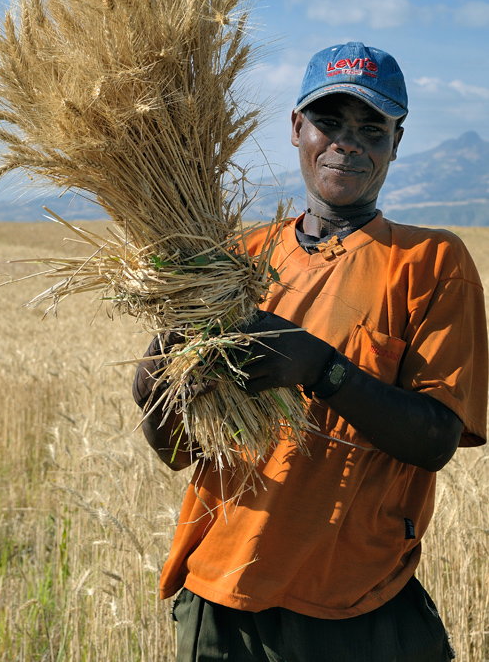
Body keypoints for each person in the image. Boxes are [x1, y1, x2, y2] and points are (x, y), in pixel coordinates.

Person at [133, 41, 488, 662]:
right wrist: (155, 387)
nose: (347, 142)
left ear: (396, 143)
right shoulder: (235, 260)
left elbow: (436, 439)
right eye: (329, 121)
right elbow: (179, 451)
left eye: (371, 128)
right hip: (220, 597)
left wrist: (322, 367)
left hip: (356, 605)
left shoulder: (432, 262)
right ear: (297, 129)